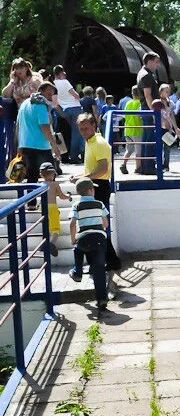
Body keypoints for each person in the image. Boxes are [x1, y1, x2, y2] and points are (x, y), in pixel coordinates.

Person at [70, 113, 121, 270]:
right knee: (94, 226)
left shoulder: (98, 143)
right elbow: (94, 169)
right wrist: (79, 176)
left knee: (97, 227)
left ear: (94, 125)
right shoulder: (90, 142)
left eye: (86, 128)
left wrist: (83, 178)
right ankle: (108, 261)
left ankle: (107, 261)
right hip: (94, 185)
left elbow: (102, 169)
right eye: (81, 129)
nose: (84, 131)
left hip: (98, 186)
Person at [69, 178, 109, 313]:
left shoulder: (76, 205)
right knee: (99, 270)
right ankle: (102, 299)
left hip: (84, 238)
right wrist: (101, 228)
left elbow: (72, 223)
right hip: (99, 239)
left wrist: (73, 238)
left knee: (77, 249)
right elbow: (106, 223)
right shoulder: (99, 204)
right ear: (91, 190)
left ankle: (77, 272)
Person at [16, 82, 61, 188]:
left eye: (52, 94)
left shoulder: (24, 103)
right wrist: (54, 146)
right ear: (41, 91)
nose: (50, 97)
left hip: (26, 144)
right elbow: (44, 127)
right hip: (40, 145)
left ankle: (31, 203)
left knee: (32, 176)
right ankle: (50, 201)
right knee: (50, 174)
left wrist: (18, 144)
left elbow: (18, 125)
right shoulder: (41, 105)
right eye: (48, 93)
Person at [136, 52, 161, 174]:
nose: (158, 64)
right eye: (156, 62)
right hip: (148, 110)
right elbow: (148, 95)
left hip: (145, 110)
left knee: (147, 138)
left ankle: (145, 166)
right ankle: (149, 167)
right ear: (149, 61)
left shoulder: (143, 73)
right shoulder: (146, 75)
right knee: (150, 139)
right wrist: (154, 112)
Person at [52, 65, 83, 163]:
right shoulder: (65, 82)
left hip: (64, 110)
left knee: (67, 133)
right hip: (75, 108)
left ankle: (65, 155)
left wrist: (61, 113)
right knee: (76, 134)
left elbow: (55, 103)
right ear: (61, 73)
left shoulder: (53, 84)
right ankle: (74, 156)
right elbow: (76, 95)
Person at [39, 162, 70, 257]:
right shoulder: (55, 184)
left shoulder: (40, 184)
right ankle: (51, 243)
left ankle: (43, 243)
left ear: (41, 174)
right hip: (52, 208)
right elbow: (61, 196)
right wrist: (68, 196)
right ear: (53, 174)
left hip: (43, 208)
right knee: (56, 228)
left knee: (46, 227)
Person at [157, 83, 180, 171]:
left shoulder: (170, 102)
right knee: (158, 146)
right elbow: (156, 115)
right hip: (159, 127)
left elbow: (171, 115)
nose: (168, 93)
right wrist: (163, 121)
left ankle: (166, 165)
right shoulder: (157, 103)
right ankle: (158, 164)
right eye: (166, 91)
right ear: (161, 92)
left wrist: (175, 127)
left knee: (167, 146)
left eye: (169, 91)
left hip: (168, 128)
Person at [120, 87, 142, 174]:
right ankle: (138, 167)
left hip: (128, 129)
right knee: (138, 150)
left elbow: (124, 116)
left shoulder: (128, 103)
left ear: (132, 94)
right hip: (137, 129)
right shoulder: (140, 103)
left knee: (128, 150)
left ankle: (123, 164)